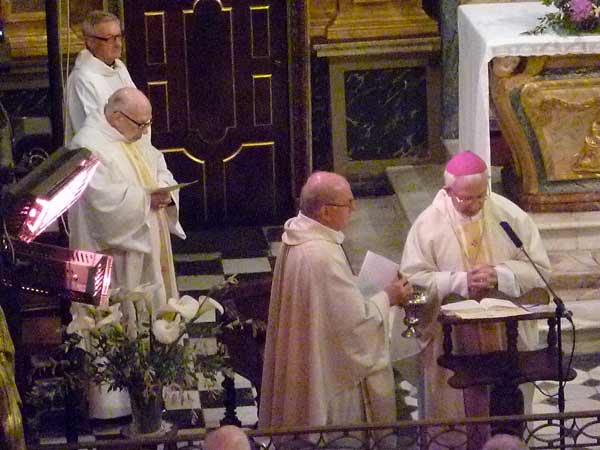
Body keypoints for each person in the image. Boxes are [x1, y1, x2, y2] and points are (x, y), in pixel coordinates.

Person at [397, 151, 550, 447]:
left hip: (506, 334)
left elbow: (540, 269)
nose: (474, 204)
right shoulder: (427, 225)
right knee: (453, 416)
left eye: (480, 197)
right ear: (447, 191)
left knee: (505, 414)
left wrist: (500, 275)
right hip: (452, 338)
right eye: (464, 199)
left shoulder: (510, 216)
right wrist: (458, 281)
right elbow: (412, 280)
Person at [259, 171, 413, 430]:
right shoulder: (321, 254)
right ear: (325, 212)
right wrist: (389, 296)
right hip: (332, 379)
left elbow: (329, 297)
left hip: (310, 354)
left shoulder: (298, 235)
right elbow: (353, 326)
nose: (353, 209)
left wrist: (354, 283)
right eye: (347, 204)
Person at [67, 87, 185, 418]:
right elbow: (100, 201)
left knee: (152, 317)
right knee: (116, 322)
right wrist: (145, 199)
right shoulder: (88, 145)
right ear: (117, 117)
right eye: (140, 124)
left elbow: (157, 164)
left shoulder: (130, 134)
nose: (145, 131)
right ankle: (116, 403)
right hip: (113, 255)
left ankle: (153, 384)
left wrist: (165, 191)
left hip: (147, 240)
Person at [65, 10, 135, 140]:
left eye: (119, 36)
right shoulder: (83, 78)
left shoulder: (119, 68)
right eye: (110, 39)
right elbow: (97, 127)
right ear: (91, 42)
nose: (118, 44)